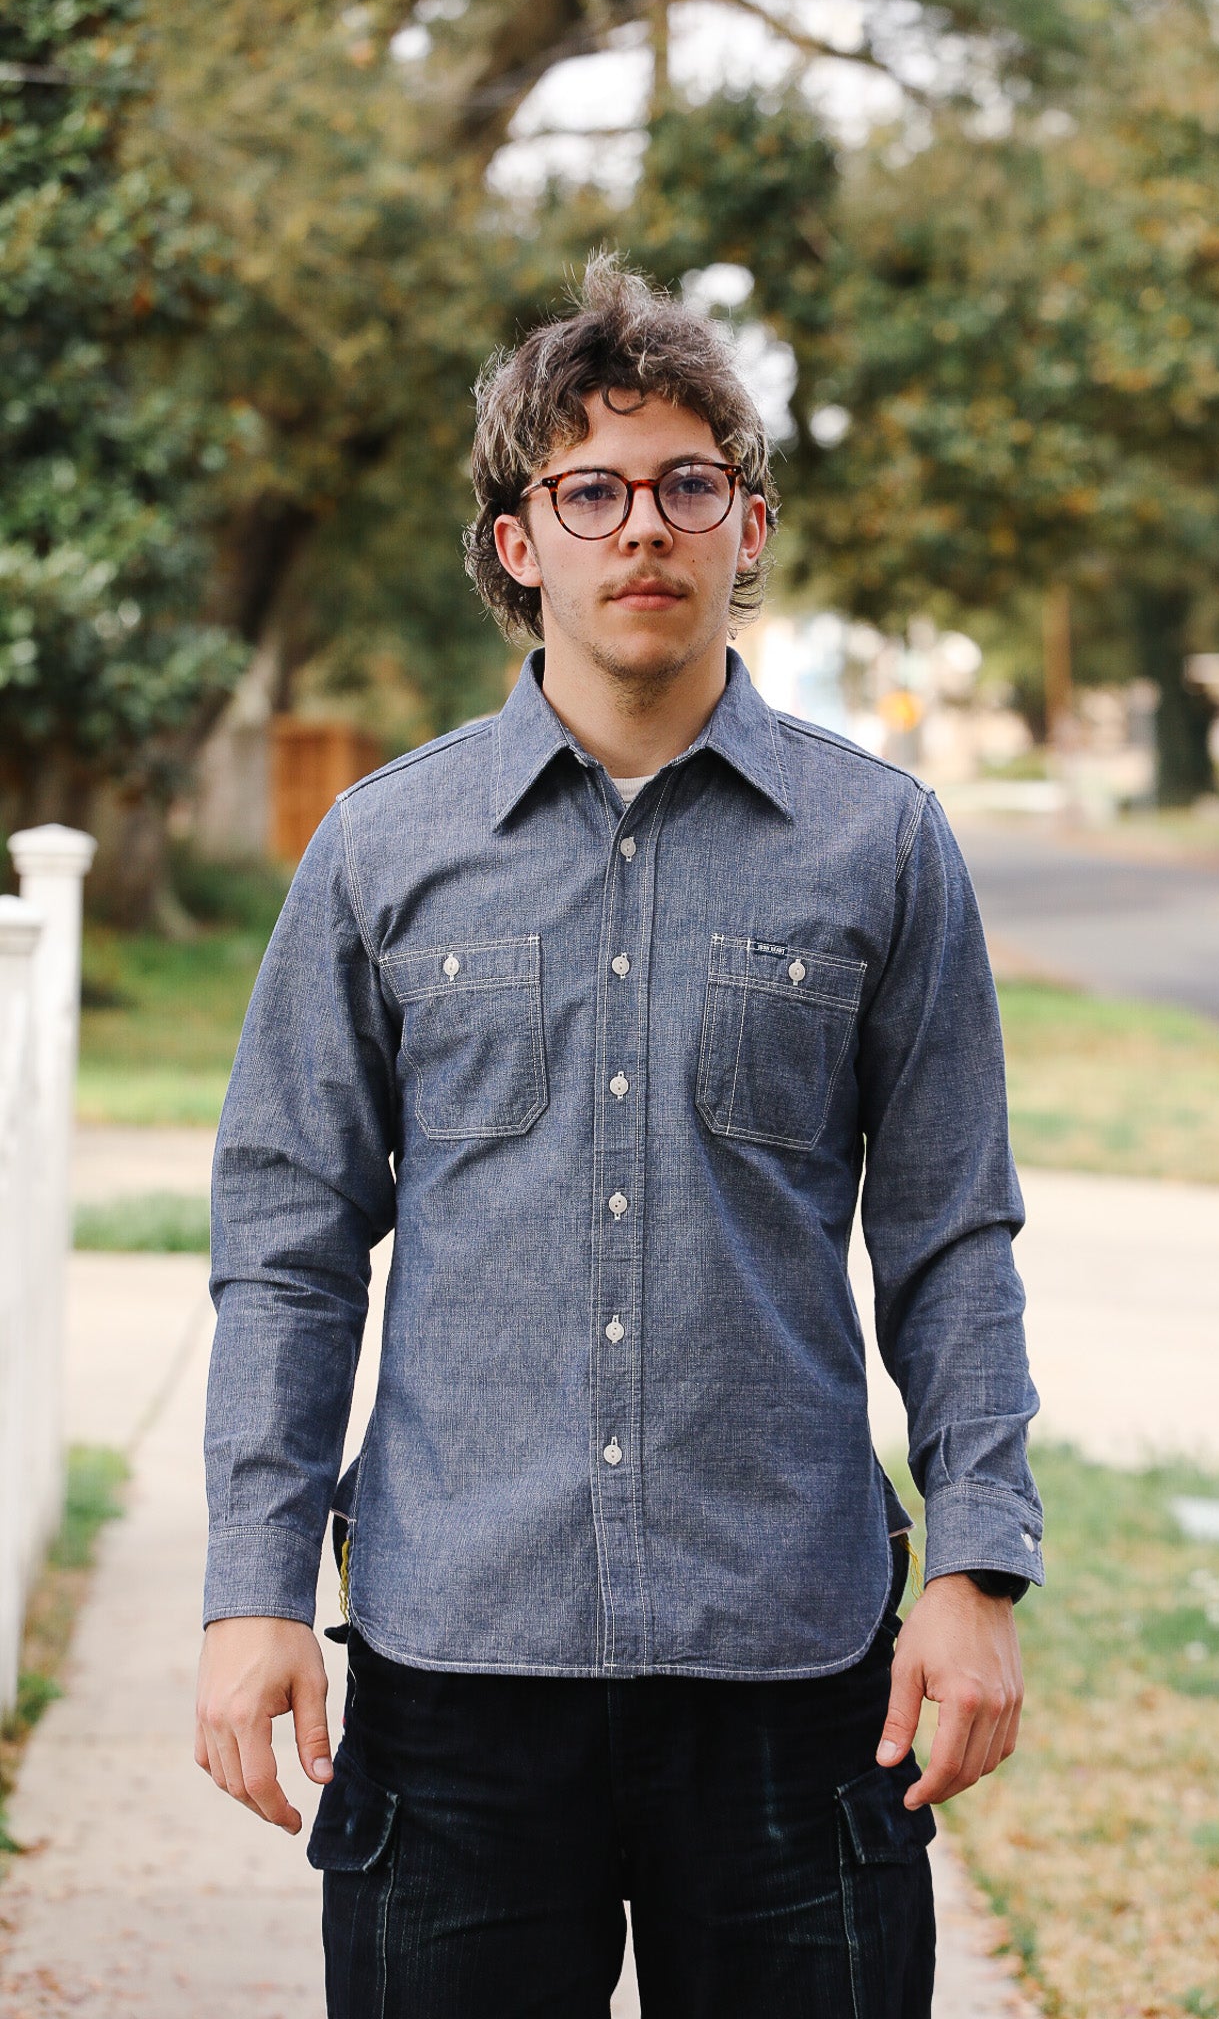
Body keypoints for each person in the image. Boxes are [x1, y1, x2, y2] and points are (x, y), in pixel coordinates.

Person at [194, 254, 1043, 2018]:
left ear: (748, 525)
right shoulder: (379, 851)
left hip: (791, 1665)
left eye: (684, 486)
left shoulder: (879, 847)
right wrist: (251, 1589)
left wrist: (971, 1562)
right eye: (588, 491)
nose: (638, 529)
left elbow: (950, 1234)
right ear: (520, 541)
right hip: (456, 1662)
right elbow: (287, 1247)